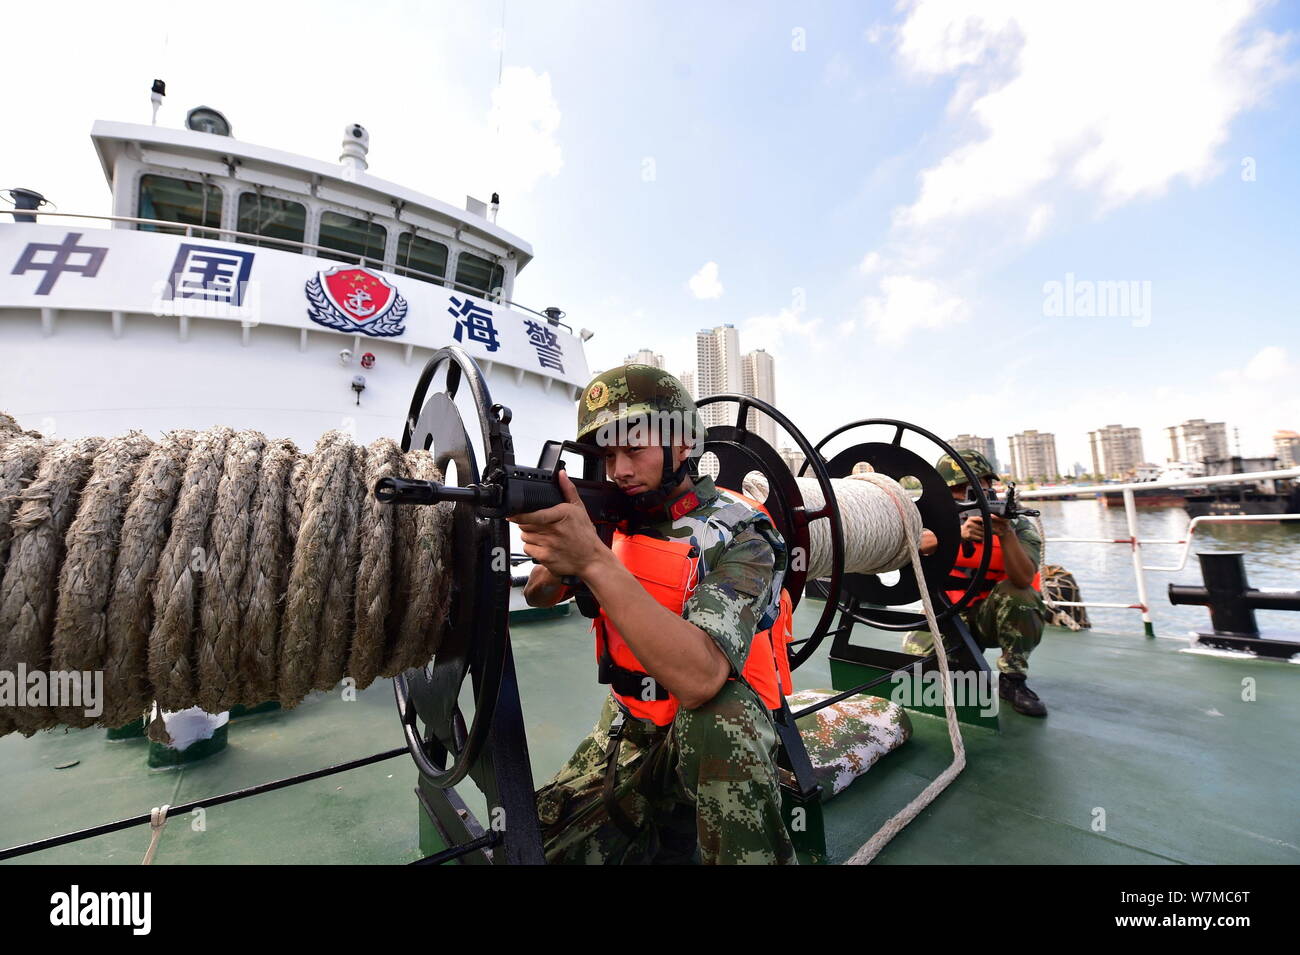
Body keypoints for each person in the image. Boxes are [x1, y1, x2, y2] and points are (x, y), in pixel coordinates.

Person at [512, 364, 796, 864]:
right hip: (625, 729)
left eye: (634, 449)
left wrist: (594, 560)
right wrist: (561, 554)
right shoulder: (615, 514)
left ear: (682, 445)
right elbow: (537, 595)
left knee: (723, 717)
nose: (619, 470)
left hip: (702, 734)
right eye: (607, 455)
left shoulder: (743, 535)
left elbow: (703, 678)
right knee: (532, 848)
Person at [901, 449, 1050, 717]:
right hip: (944, 615)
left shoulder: (1016, 525)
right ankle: (963, 656)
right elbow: (906, 547)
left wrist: (1005, 534)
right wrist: (955, 536)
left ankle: (1013, 678)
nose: (971, 496)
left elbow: (1024, 578)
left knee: (1021, 595)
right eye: (961, 489)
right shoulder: (928, 519)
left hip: (989, 618)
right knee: (918, 662)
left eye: (979, 488)